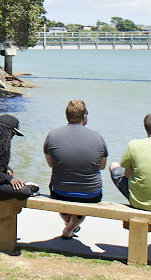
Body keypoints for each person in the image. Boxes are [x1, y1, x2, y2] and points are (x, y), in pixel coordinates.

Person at [43, 99, 108, 239]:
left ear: (66, 116)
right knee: (80, 199)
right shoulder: (98, 137)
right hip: (91, 194)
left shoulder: (52, 135)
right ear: (84, 116)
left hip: (60, 192)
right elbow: (102, 166)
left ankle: (69, 226)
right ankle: (71, 227)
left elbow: (51, 164)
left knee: (63, 194)